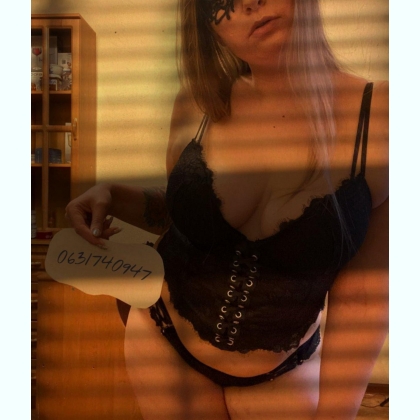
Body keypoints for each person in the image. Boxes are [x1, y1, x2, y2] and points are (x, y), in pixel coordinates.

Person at [65, 1, 389, 419]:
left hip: (282, 370)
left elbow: (365, 296)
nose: (248, 3)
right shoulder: (197, 104)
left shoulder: (383, 115)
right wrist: (113, 194)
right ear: (207, 27)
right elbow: (187, 221)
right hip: (165, 342)